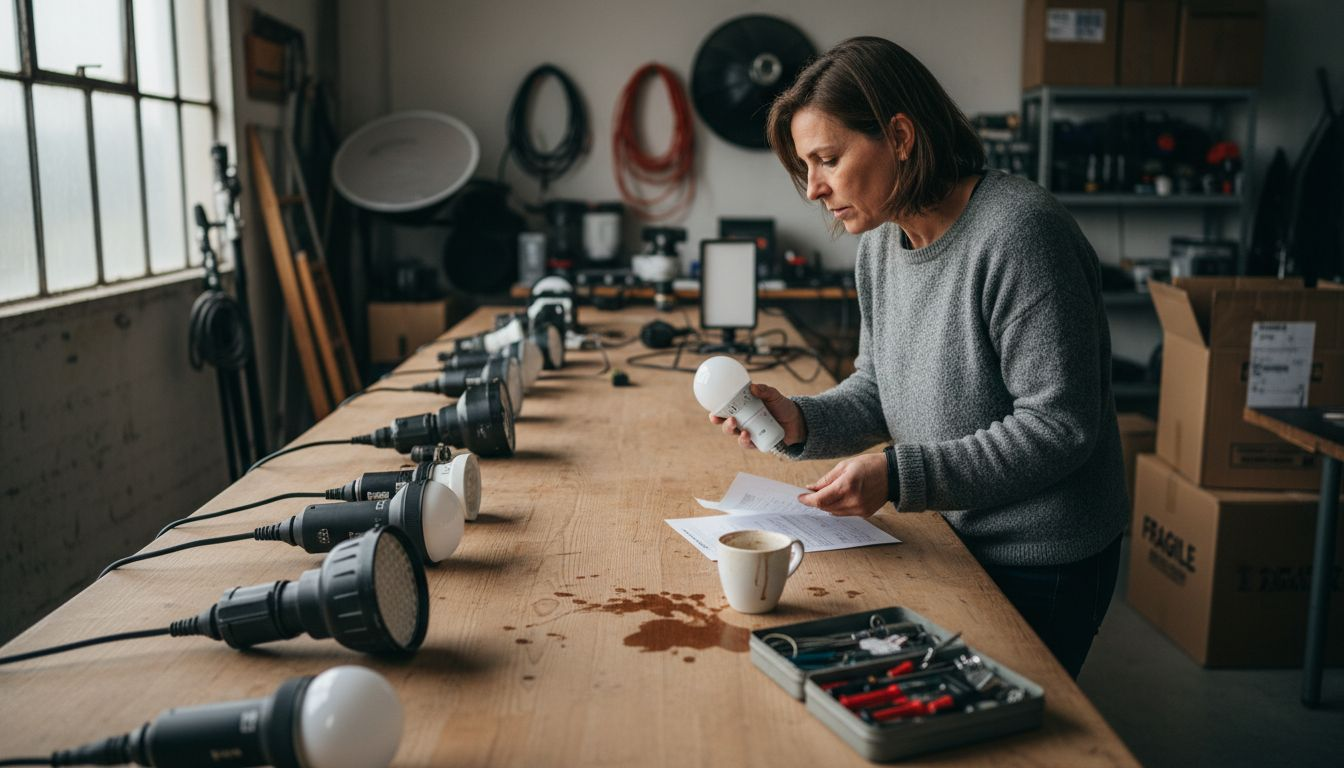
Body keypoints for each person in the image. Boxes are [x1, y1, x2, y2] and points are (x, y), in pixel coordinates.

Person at [711, 37, 1128, 679]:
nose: (814, 189)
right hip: (952, 536)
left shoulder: (1020, 234)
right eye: (807, 166)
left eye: (828, 159)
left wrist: (898, 476)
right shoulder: (881, 245)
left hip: (1039, 557)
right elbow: (882, 386)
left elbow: (1060, 427)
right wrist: (798, 419)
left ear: (900, 135)